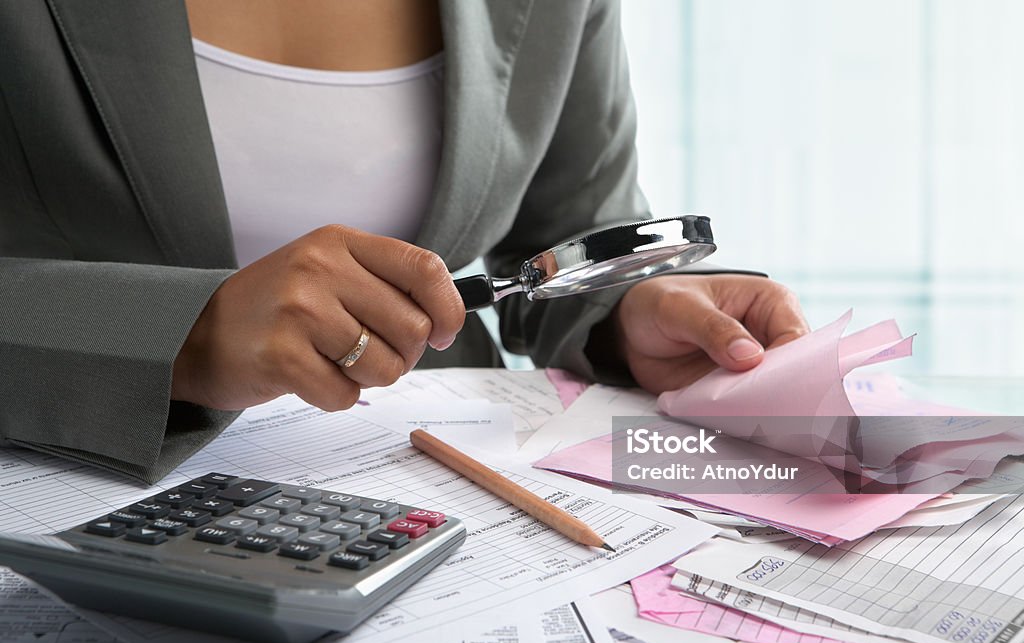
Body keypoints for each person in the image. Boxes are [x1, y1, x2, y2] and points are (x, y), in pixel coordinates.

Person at [0, 0, 808, 483]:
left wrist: (634, 308)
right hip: (67, 482)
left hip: (447, 488)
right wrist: (183, 334)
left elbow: (571, 223)